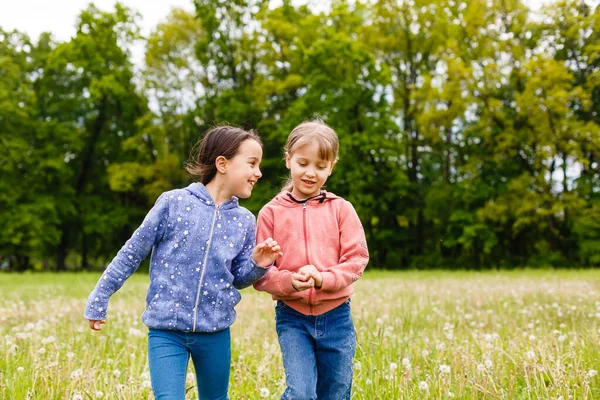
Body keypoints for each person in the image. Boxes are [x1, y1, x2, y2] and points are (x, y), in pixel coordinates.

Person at [84, 125, 282, 400]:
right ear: (222, 164)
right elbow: (132, 253)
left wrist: (259, 263)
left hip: (215, 332)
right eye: (252, 163)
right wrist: (100, 295)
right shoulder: (173, 203)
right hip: (166, 331)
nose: (258, 172)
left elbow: (238, 277)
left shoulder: (245, 221)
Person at [253, 120, 369, 399]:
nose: (310, 172)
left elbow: (356, 258)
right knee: (301, 393)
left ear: (332, 167)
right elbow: (260, 272)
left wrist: (324, 279)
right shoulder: (271, 213)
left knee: (337, 392)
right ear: (288, 159)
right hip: (293, 317)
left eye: (320, 166)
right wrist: (290, 281)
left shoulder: (341, 209)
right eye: (303, 163)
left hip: (337, 315)